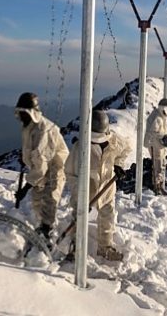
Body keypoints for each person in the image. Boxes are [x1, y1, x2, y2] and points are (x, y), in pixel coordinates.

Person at [65, 110, 131, 261]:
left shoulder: (114, 140)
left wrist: (118, 165)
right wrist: (80, 194)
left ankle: (105, 247)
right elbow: (69, 173)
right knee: (79, 216)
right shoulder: (79, 148)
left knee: (107, 215)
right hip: (85, 187)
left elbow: (126, 148)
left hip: (106, 186)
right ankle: (75, 247)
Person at [14, 92, 69, 242]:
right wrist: (25, 158)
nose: (21, 116)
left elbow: (41, 165)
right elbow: (34, 153)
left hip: (54, 167)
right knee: (37, 200)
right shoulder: (29, 126)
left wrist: (25, 188)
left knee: (49, 199)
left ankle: (48, 232)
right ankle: (42, 228)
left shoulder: (43, 130)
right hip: (41, 166)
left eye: (23, 113)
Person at [144, 98, 167, 195]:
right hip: (155, 144)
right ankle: (157, 187)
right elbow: (152, 132)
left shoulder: (160, 116)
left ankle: (160, 185)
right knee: (157, 165)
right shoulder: (157, 117)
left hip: (159, 144)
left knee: (160, 165)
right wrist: (163, 137)